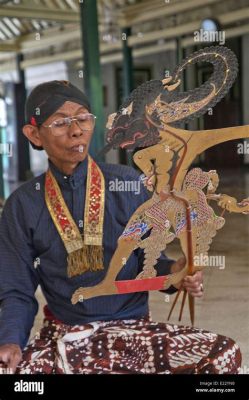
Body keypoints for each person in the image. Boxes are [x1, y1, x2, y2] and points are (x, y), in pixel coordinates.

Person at [0, 81, 241, 374]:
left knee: (223, 353)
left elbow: (149, 262)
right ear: (34, 134)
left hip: (134, 335)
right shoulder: (22, 204)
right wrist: (10, 341)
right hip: (67, 337)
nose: (76, 130)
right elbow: (17, 292)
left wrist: (178, 273)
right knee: (15, 372)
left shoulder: (128, 184)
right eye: (61, 122)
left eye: (82, 118)